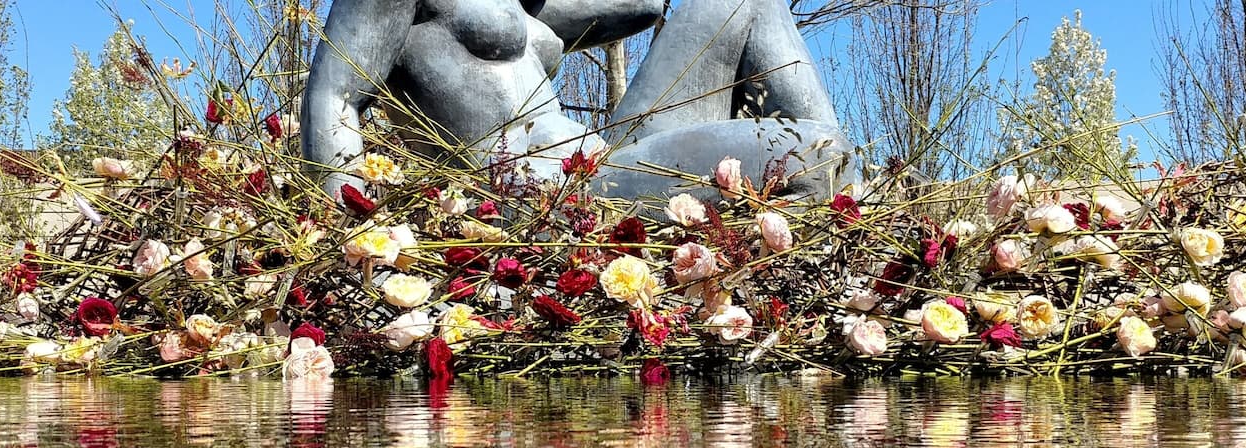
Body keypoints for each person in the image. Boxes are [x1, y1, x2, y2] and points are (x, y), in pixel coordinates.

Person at [303, 0, 851, 200]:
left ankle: (859, 184)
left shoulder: (521, 6)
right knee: (813, 155)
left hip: (602, 159)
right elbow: (333, 97)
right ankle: (848, 177)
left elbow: (641, 6)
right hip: (541, 189)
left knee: (743, 2)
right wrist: (350, 233)